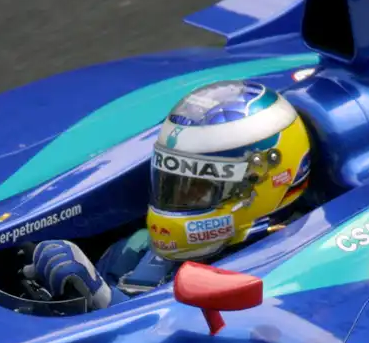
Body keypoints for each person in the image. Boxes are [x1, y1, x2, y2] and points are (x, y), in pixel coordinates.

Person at [20, 80, 312, 312]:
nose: (179, 196)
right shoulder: (137, 250)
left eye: (198, 187)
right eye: (170, 183)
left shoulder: (285, 269)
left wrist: (101, 297)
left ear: (261, 185)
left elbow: (191, 335)